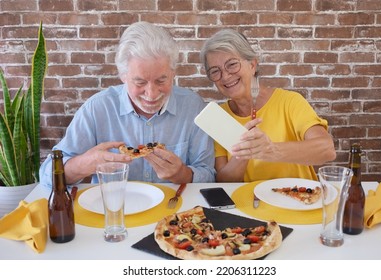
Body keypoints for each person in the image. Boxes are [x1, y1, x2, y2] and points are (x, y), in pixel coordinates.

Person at [39, 21, 216, 188]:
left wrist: (182, 174)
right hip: (113, 212)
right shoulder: (97, 109)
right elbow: (47, 176)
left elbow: (209, 174)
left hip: (174, 212)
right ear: (123, 76)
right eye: (140, 82)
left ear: (173, 73)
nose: (152, 93)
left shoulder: (193, 107)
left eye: (161, 80)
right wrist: (84, 165)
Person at [199, 29, 336, 182]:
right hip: (250, 204)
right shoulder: (220, 117)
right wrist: (244, 153)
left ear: (252, 65)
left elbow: (327, 150)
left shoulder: (289, 101)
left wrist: (271, 150)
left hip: (300, 199)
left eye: (231, 65)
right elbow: (224, 182)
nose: (225, 76)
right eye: (215, 71)